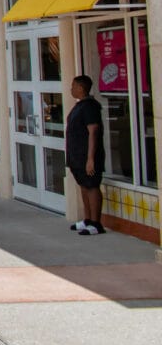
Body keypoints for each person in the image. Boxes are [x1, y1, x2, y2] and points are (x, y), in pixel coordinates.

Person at [66, 74, 106, 235]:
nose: (71, 89)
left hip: (88, 155)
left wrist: (90, 159)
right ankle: (87, 219)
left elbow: (93, 131)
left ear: (81, 88)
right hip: (77, 155)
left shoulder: (90, 106)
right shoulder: (79, 105)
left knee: (92, 186)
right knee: (83, 185)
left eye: (73, 86)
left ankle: (96, 223)